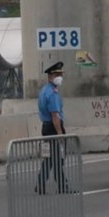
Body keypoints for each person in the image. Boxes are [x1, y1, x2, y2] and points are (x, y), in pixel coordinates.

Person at [37, 61, 70, 194]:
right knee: (57, 159)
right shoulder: (52, 94)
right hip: (53, 127)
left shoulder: (44, 90)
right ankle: (62, 186)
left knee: (50, 159)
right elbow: (55, 116)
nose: (59, 77)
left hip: (46, 127)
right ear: (50, 76)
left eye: (60, 74)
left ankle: (40, 184)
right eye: (56, 74)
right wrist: (60, 134)